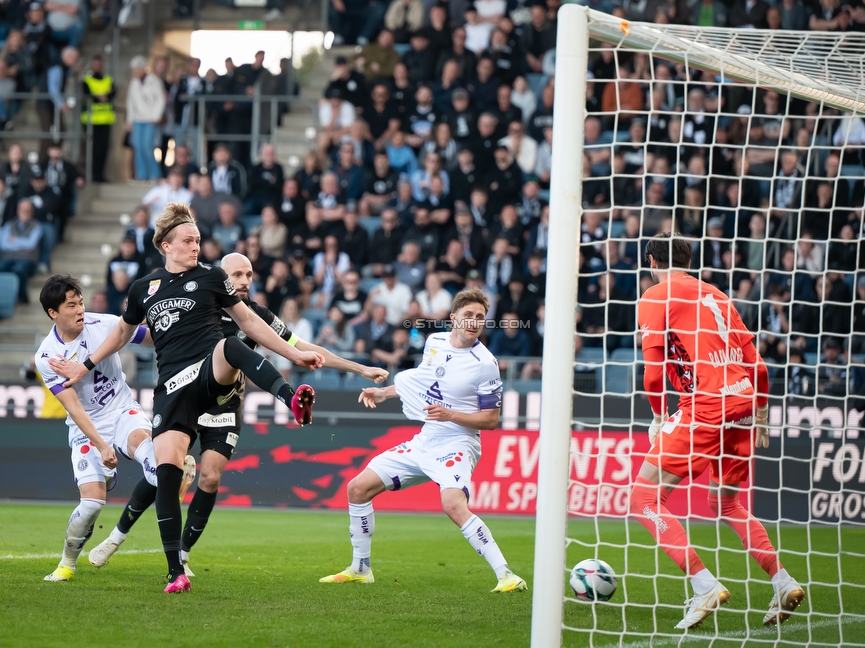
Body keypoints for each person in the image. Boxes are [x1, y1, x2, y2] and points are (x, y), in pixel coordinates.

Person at [47, 203, 323, 594]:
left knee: (230, 345)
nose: (196, 247)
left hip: (209, 370)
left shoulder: (212, 276)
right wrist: (85, 365)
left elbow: (249, 321)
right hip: (172, 387)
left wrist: (295, 355)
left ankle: (291, 398)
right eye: (188, 241)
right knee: (167, 473)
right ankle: (175, 571)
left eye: (197, 240)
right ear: (165, 245)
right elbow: (123, 334)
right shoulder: (144, 288)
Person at [89, 253, 389, 576]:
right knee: (164, 470)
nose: (245, 281)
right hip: (186, 393)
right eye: (237, 275)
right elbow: (150, 331)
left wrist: (359, 368)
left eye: (248, 274)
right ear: (220, 276)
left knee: (211, 475)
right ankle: (117, 535)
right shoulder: (198, 299)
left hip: (224, 404)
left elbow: (303, 346)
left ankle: (184, 555)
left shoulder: (256, 315)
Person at [630, 232, 805, 630]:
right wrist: (760, 412)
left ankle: (704, 584)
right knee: (724, 503)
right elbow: (757, 363)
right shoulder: (717, 295)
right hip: (743, 401)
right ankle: (783, 582)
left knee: (643, 496)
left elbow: (654, 373)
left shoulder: (656, 297)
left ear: (652, 263)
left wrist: (658, 417)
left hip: (706, 405)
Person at [320, 288, 528, 593]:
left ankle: (506, 575)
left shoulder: (485, 363)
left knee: (452, 504)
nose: (474, 321)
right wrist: (384, 392)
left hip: (459, 440)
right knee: (358, 488)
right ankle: (360, 569)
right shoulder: (435, 341)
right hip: (428, 436)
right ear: (454, 318)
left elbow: (491, 420)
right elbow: (422, 383)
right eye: (468, 315)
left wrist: (450, 415)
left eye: (480, 317)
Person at [34, 275, 194, 582]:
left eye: (80, 301)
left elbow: (147, 336)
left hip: (123, 412)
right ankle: (67, 564)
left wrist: (174, 334)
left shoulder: (104, 325)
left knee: (153, 464)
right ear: (53, 313)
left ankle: (171, 474)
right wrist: (102, 446)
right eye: (71, 305)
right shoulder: (46, 357)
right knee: (91, 505)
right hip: (87, 429)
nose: (79, 309)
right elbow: (75, 408)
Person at [126, 56, 167, 181]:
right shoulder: (133, 82)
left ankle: (154, 174)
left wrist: (156, 116)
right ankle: (141, 175)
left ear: (142, 69)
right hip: (137, 119)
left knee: (147, 146)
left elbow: (161, 99)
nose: (134, 73)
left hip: (150, 120)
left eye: (136, 70)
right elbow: (130, 101)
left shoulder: (154, 81)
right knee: (137, 146)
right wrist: (129, 119)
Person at [81, 55, 115, 182]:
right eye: (95, 64)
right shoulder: (87, 80)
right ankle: (92, 174)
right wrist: (99, 97)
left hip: (105, 120)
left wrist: (99, 96)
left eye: (99, 64)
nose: (97, 66)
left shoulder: (108, 79)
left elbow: (112, 93)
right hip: (91, 120)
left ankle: (100, 175)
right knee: (92, 150)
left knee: (104, 149)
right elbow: (87, 94)